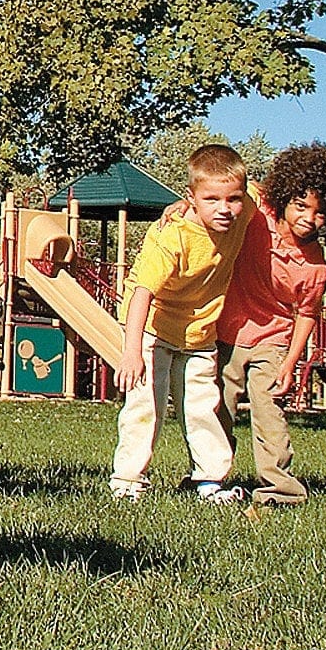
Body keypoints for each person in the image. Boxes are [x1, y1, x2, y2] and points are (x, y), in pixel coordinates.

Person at [110, 143, 256, 503]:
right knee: (146, 406)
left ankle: (209, 481)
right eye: (211, 199)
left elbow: (265, 194)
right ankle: (128, 482)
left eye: (233, 199)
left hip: (199, 332)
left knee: (202, 406)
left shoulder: (244, 209)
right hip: (150, 329)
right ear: (191, 198)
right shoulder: (171, 237)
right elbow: (143, 292)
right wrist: (131, 354)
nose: (224, 209)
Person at [216, 143, 326, 507]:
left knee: (269, 412)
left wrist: (290, 364)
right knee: (219, 409)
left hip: (273, 341)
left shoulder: (315, 266)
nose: (309, 218)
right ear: (283, 198)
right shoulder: (258, 212)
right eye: (301, 206)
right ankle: (209, 479)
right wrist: (180, 207)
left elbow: (306, 314)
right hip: (229, 331)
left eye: (321, 213)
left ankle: (280, 490)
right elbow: (218, 194)